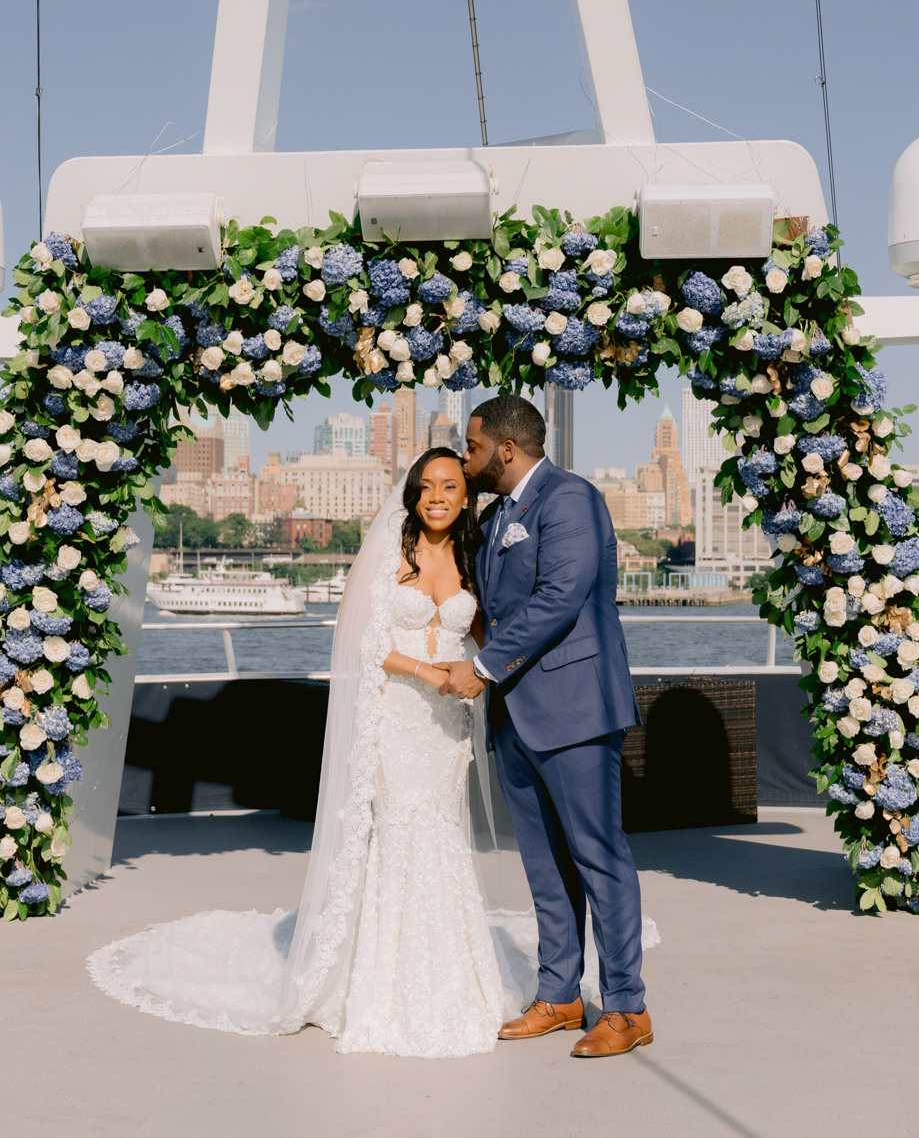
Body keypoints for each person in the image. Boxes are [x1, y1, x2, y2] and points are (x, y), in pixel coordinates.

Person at [88, 448, 516, 1057]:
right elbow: (358, 642)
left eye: (450, 486)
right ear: (414, 495)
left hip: (448, 725)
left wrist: (472, 668)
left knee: (442, 832)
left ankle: (454, 971)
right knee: (400, 831)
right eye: (426, 487)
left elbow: (483, 634)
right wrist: (428, 671)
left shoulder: (474, 561)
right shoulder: (393, 555)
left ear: (467, 496)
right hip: (397, 715)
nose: (437, 497)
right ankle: (385, 982)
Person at [440, 394, 653, 1059]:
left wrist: (484, 666)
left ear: (506, 447)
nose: (468, 459)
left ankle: (627, 1007)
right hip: (517, 718)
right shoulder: (499, 512)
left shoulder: (571, 498)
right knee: (544, 867)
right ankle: (560, 994)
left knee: (599, 858)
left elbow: (561, 597)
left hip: (577, 712)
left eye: (472, 448)